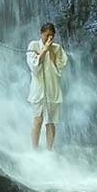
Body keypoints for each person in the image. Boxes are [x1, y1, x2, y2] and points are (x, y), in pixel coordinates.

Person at [26, 22, 68, 151]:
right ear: (41, 34)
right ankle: (34, 150)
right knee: (38, 119)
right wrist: (44, 50)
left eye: (51, 36)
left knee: (50, 121)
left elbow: (60, 66)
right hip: (38, 90)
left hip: (52, 89)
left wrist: (50, 49)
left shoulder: (57, 48)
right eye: (46, 35)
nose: (49, 38)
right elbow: (34, 66)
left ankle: (49, 150)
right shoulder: (33, 45)